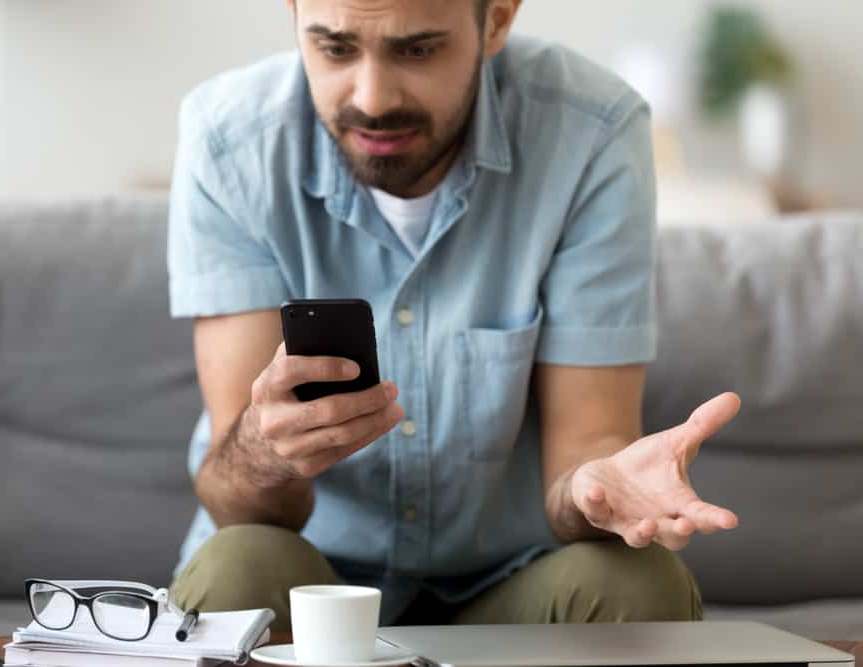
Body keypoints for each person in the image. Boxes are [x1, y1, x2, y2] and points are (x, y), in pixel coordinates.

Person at [166, 0, 741, 632]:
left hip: (515, 582)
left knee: (637, 580)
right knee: (237, 566)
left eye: (416, 49)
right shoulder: (229, 141)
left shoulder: (592, 131)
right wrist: (265, 449)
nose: (373, 98)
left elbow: (588, 441)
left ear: (496, 20)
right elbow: (230, 498)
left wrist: (597, 485)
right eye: (334, 48)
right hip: (313, 585)